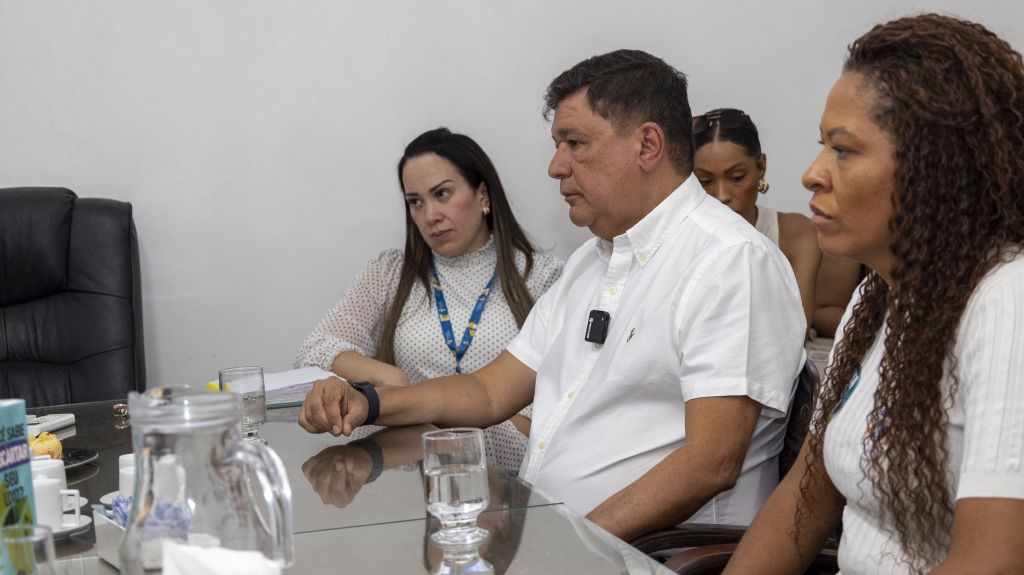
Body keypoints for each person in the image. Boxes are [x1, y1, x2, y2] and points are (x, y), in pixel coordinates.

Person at [299, 50, 806, 541]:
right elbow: (487, 392)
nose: (556, 167)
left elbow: (710, 463)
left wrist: (572, 545)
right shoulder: (593, 261)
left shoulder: (730, 260)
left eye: (575, 143)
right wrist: (367, 403)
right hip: (558, 536)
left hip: (651, 554)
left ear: (648, 145)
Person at [724, 14, 1024, 575]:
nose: (813, 174)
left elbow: (994, 561)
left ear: (934, 168)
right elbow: (804, 498)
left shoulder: (1006, 302)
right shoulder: (876, 299)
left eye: (843, 150)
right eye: (822, 146)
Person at [294, 127, 563, 472]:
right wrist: (390, 378)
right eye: (415, 202)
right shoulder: (391, 273)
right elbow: (313, 349)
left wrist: (442, 425)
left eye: (443, 194)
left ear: (483, 195)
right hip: (409, 475)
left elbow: (558, 409)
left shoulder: (543, 276)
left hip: (508, 472)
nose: (430, 215)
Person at [693, 108, 821, 331]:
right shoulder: (681, 238)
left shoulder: (796, 235)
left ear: (760, 167)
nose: (721, 194)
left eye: (736, 177)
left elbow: (796, 330)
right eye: (705, 181)